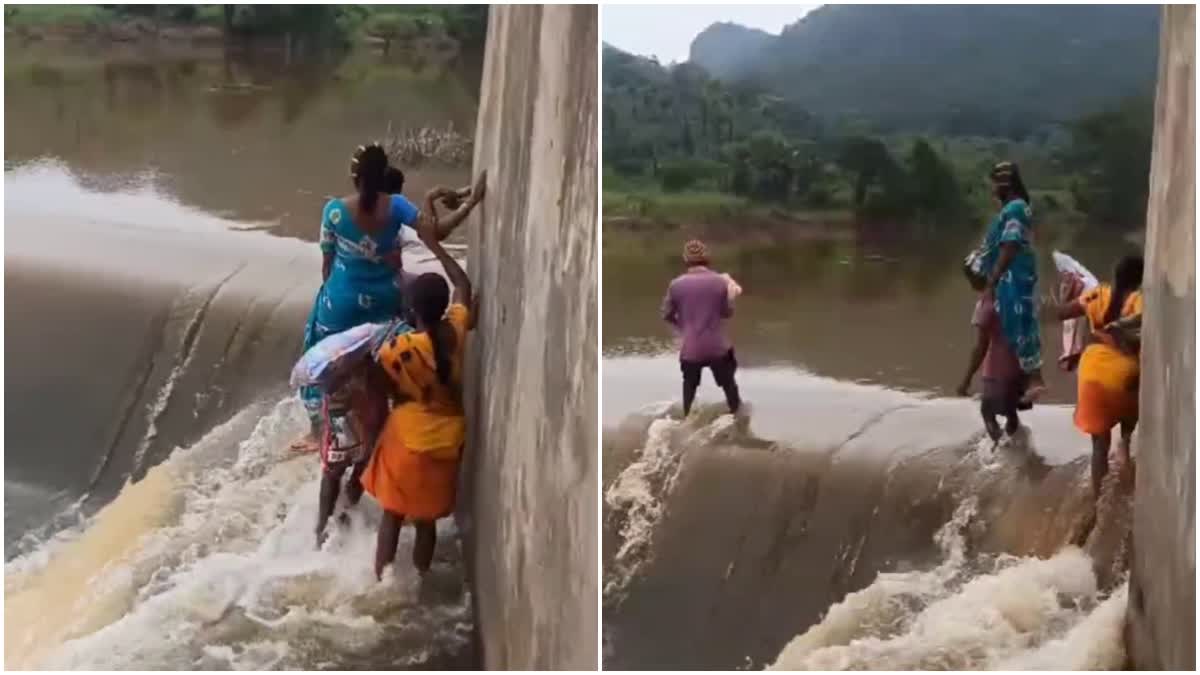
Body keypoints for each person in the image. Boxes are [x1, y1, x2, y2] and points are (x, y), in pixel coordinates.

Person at [290, 145, 484, 453]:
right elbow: (435, 232)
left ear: (354, 178)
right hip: (384, 301)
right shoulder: (397, 207)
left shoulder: (334, 212)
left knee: (320, 355)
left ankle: (319, 432)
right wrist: (466, 203)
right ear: (383, 176)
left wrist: (335, 292)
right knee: (379, 363)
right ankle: (379, 424)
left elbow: (327, 266)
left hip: (341, 301)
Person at [361, 183, 480, 578]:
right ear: (443, 306)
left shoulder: (400, 349)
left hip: (407, 439)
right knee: (426, 520)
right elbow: (463, 286)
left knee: (392, 517)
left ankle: (381, 581)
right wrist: (437, 248)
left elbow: (376, 383)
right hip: (447, 441)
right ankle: (421, 582)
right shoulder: (456, 332)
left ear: (413, 308)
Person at [1052, 255, 1144, 502]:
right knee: (1134, 400)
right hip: (1123, 378)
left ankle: (1096, 501)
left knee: (1098, 447)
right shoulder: (1139, 301)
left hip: (1091, 374)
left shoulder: (1097, 296)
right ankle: (1125, 443)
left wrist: (1057, 298)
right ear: (1140, 280)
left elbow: (1061, 313)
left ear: (1115, 276)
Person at [972, 161, 1046, 407]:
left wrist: (993, 277)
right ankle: (1023, 385)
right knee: (1015, 329)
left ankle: (1035, 379)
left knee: (1022, 324)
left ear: (1004, 184)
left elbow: (1010, 245)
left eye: (994, 185)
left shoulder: (1015, 208)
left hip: (1015, 276)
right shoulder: (1014, 208)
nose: (993, 191)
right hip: (1011, 276)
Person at [662, 239, 741, 417]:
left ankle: (686, 419)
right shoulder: (720, 282)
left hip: (690, 349)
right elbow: (727, 313)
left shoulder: (676, 285)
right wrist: (730, 298)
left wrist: (683, 327)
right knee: (729, 386)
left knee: (689, 386)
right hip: (717, 348)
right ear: (707, 258)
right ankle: (737, 419)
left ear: (685, 259)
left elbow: (666, 314)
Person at [957, 273, 1025, 443]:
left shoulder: (985, 305)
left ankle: (1001, 450)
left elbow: (981, 347)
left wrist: (966, 380)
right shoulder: (1014, 297)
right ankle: (1017, 449)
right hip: (1018, 366)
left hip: (996, 369)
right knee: (1011, 412)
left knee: (987, 412)